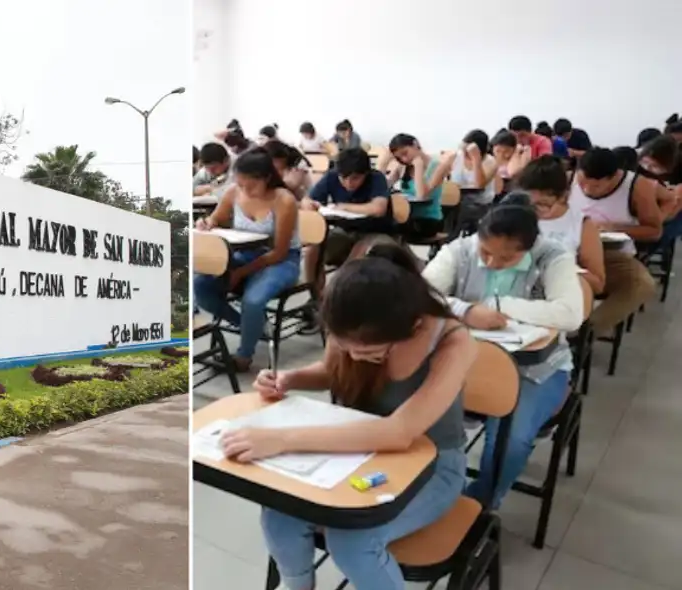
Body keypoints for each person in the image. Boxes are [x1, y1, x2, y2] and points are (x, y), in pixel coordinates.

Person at [229, 237, 473, 590]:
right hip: (355, 451)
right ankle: (296, 585)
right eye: (346, 347)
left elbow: (400, 432)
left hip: (431, 465)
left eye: (372, 352)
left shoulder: (454, 340)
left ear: (413, 326)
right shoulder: (349, 313)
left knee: (354, 541)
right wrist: (289, 378)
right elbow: (331, 371)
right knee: (279, 513)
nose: (356, 357)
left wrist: (282, 439)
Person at [423, 194, 584, 509]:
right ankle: (429, 490)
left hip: (535, 370)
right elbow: (423, 293)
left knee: (510, 443)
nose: (493, 263)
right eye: (486, 252)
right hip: (463, 361)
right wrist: (465, 309)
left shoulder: (552, 257)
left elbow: (570, 314)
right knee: (415, 415)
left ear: (530, 247)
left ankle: (482, 502)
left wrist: (501, 305)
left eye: (507, 258)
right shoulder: (461, 250)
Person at [193, 148, 301, 371]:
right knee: (201, 285)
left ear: (267, 178)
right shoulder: (234, 192)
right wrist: (206, 224)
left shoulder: (284, 200)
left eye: (251, 185)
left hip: (281, 261)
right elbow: (215, 219)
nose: (245, 190)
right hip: (244, 255)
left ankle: (244, 356)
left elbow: (279, 252)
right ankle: (250, 326)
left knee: (253, 300)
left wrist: (240, 273)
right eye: (240, 184)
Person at [569, 148, 660, 333]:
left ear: (614, 177)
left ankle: (585, 333)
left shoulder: (637, 186)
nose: (587, 190)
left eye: (595, 187)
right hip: (569, 249)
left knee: (642, 285)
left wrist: (616, 228)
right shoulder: (567, 179)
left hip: (611, 254)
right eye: (582, 183)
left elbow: (654, 231)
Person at [302, 147, 392, 295]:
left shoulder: (376, 178)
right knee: (314, 247)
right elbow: (309, 199)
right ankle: (316, 295)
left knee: (359, 252)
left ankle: (337, 295)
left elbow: (378, 209)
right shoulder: (331, 176)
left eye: (355, 178)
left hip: (375, 232)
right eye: (343, 177)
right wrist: (309, 204)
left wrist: (345, 207)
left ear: (366, 173)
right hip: (344, 231)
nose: (348, 183)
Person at [516, 156, 606, 295]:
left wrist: (561, 270)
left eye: (543, 204)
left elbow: (597, 284)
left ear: (563, 196)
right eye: (528, 203)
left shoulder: (581, 225)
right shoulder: (515, 215)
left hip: (558, 297)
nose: (535, 210)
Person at [431, 129, 498, 236]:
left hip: (479, 204)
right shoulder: (456, 157)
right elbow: (435, 180)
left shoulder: (490, 162)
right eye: (464, 150)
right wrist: (444, 164)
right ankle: (440, 239)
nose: (465, 154)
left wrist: (476, 159)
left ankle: (448, 240)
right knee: (439, 206)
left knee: (457, 211)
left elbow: (479, 184)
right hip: (455, 200)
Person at [386, 133, 443, 237]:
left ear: (415, 144)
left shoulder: (437, 166)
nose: (404, 159)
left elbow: (421, 195)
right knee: (377, 224)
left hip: (428, 219)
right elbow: (384, 185)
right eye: (399, 158)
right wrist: (384, 162)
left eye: (405, 153)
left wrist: (418, 167)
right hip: (405, 216)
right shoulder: (403, 166)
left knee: (389, 229)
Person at [490, 130, 529, 199]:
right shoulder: (490, 160)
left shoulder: (519, 158)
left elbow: (513, 172)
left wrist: (516, 153)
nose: (501, 154)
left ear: (514, 149)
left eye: (506, 151)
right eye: (498, 151)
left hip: (514, 195)